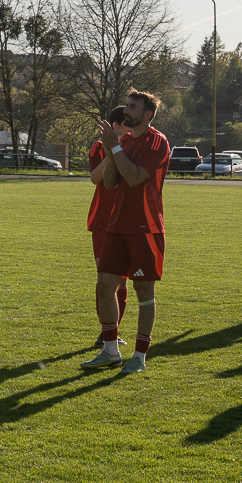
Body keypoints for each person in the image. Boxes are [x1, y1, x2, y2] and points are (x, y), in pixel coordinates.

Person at [83, 90, 169, 374]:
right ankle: (110, 350)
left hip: (145, 226)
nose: (126, 111)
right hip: (116, 225)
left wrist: (115, 149)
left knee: (144, 291)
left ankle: (139, 356)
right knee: (105, 285)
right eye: (127, 106)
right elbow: (109, 183)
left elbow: (134, 178)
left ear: (147, 114)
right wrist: (111, 150)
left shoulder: (156, 141)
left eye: (132, 107)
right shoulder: (124, 141)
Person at [86, 105, 131, 348]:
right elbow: (95, 178)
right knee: (106, 280)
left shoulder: (135, 145)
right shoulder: (98, 146)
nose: (131, 128)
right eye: (127, 123)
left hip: (127, 221)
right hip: (103, 221)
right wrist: (112, 152)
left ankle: (113, 331)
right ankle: (105, 332)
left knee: (122, 281)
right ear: (115, 126)